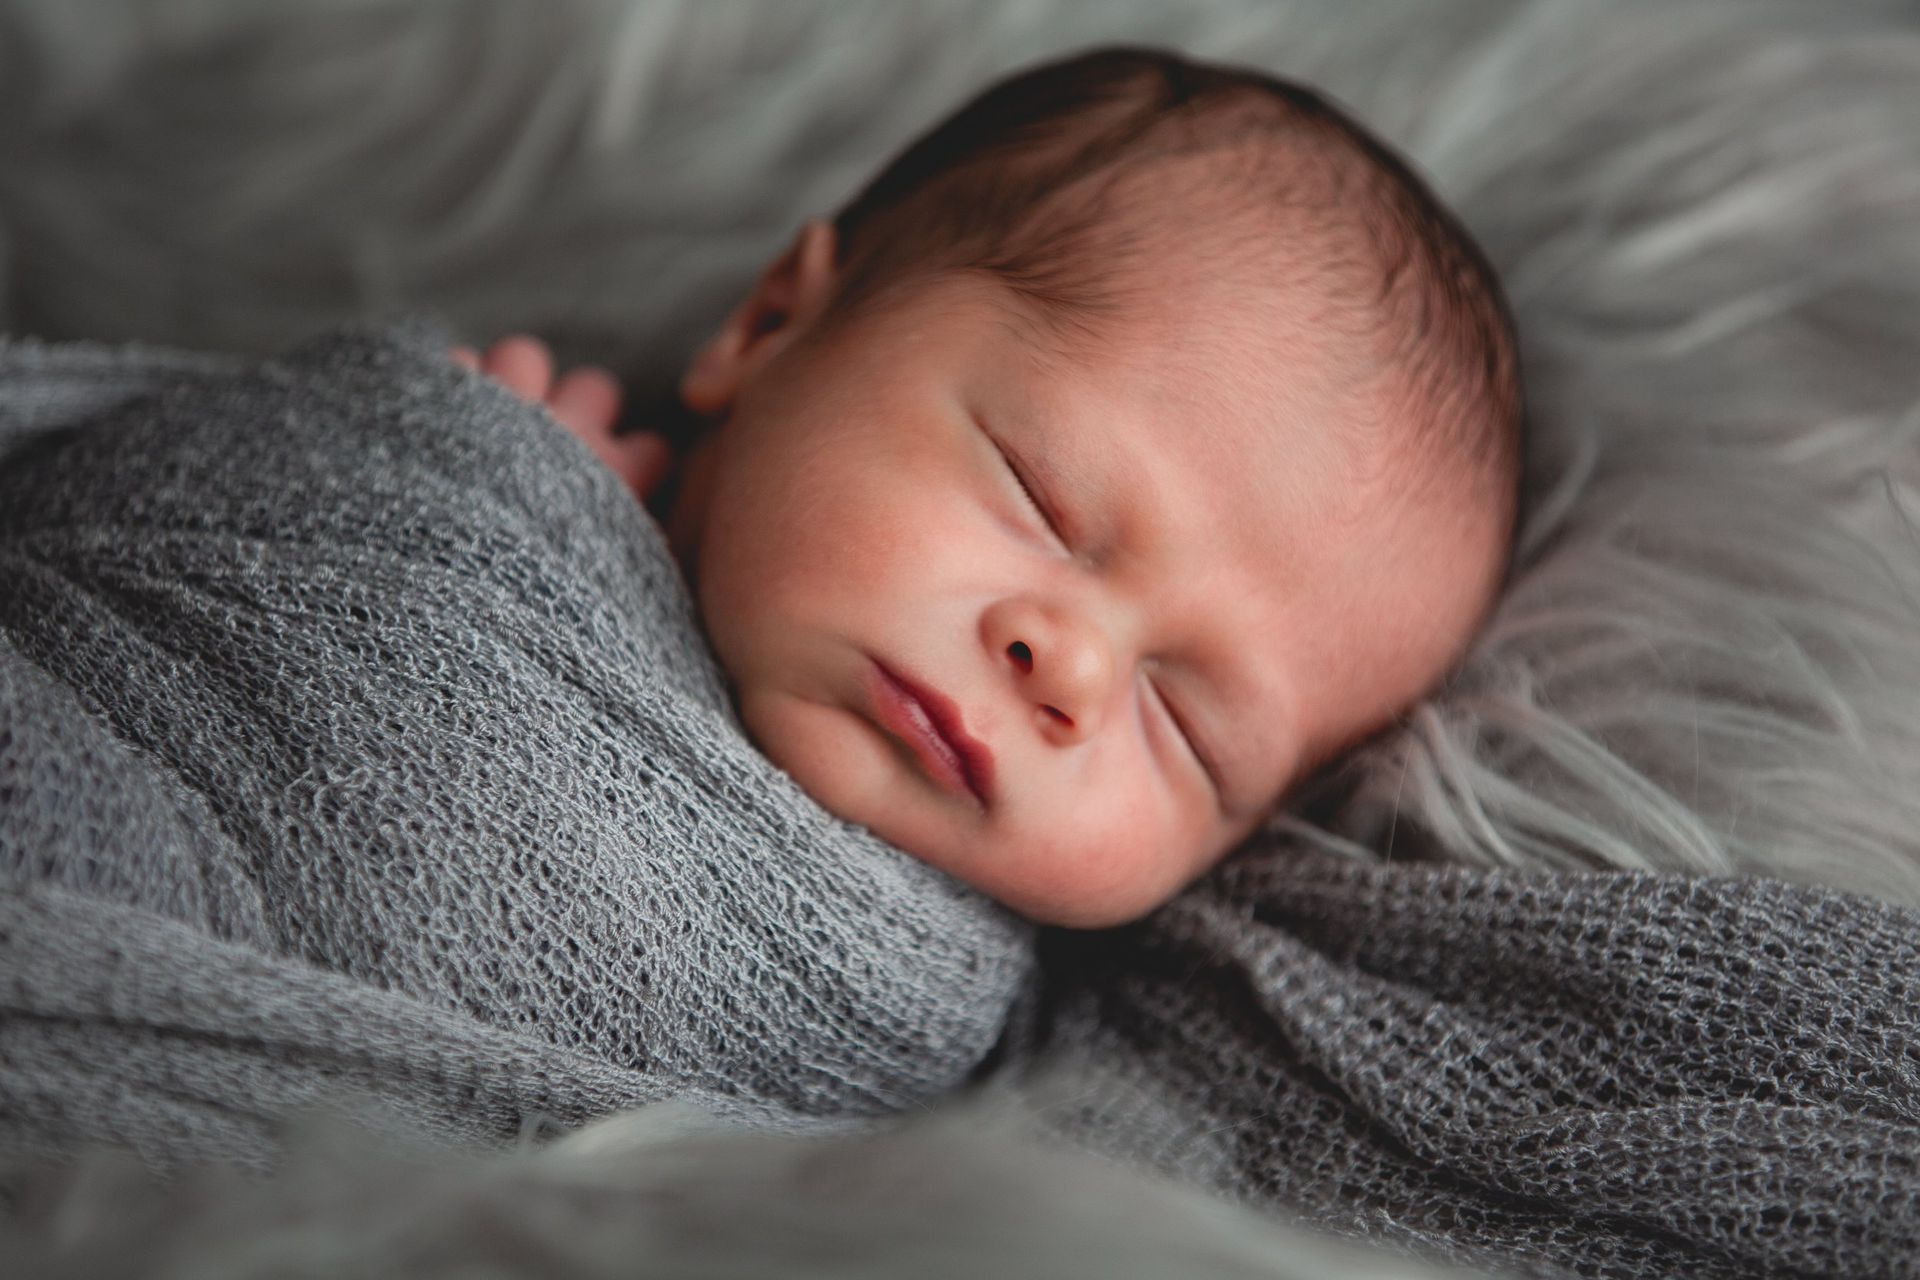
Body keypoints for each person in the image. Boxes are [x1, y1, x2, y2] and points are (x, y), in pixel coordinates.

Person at [451, 46, 1523, 928]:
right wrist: (475, 497)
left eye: (1187, 727)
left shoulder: (989, 1035)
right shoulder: (474, 488)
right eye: (1040, 498)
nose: (1074, 667)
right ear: (771, 324)